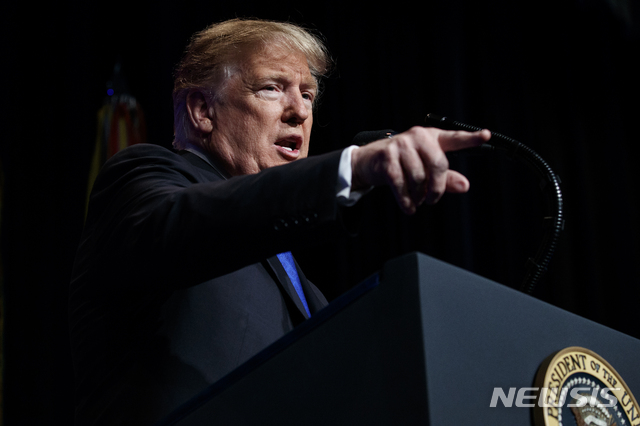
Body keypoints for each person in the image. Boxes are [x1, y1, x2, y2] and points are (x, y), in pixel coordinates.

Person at [69, 18, 491, 425]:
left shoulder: (309, 293)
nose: (300, 112)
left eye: (308, 95)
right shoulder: (143, 175)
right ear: (202, 111)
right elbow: (192, 223)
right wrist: (352, 168)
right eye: (272, 88)